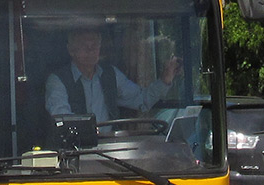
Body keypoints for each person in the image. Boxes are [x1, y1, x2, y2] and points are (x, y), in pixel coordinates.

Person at [45, 27, 181, 122]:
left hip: (108, 150)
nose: (90, 50)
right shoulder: (57, 80)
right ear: (71, 50)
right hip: (74, 153)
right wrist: (87, 131)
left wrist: (165, 79)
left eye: (95, 45)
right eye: (83, 45)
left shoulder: (111, 74)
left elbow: (142, 100)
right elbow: (61, 119)